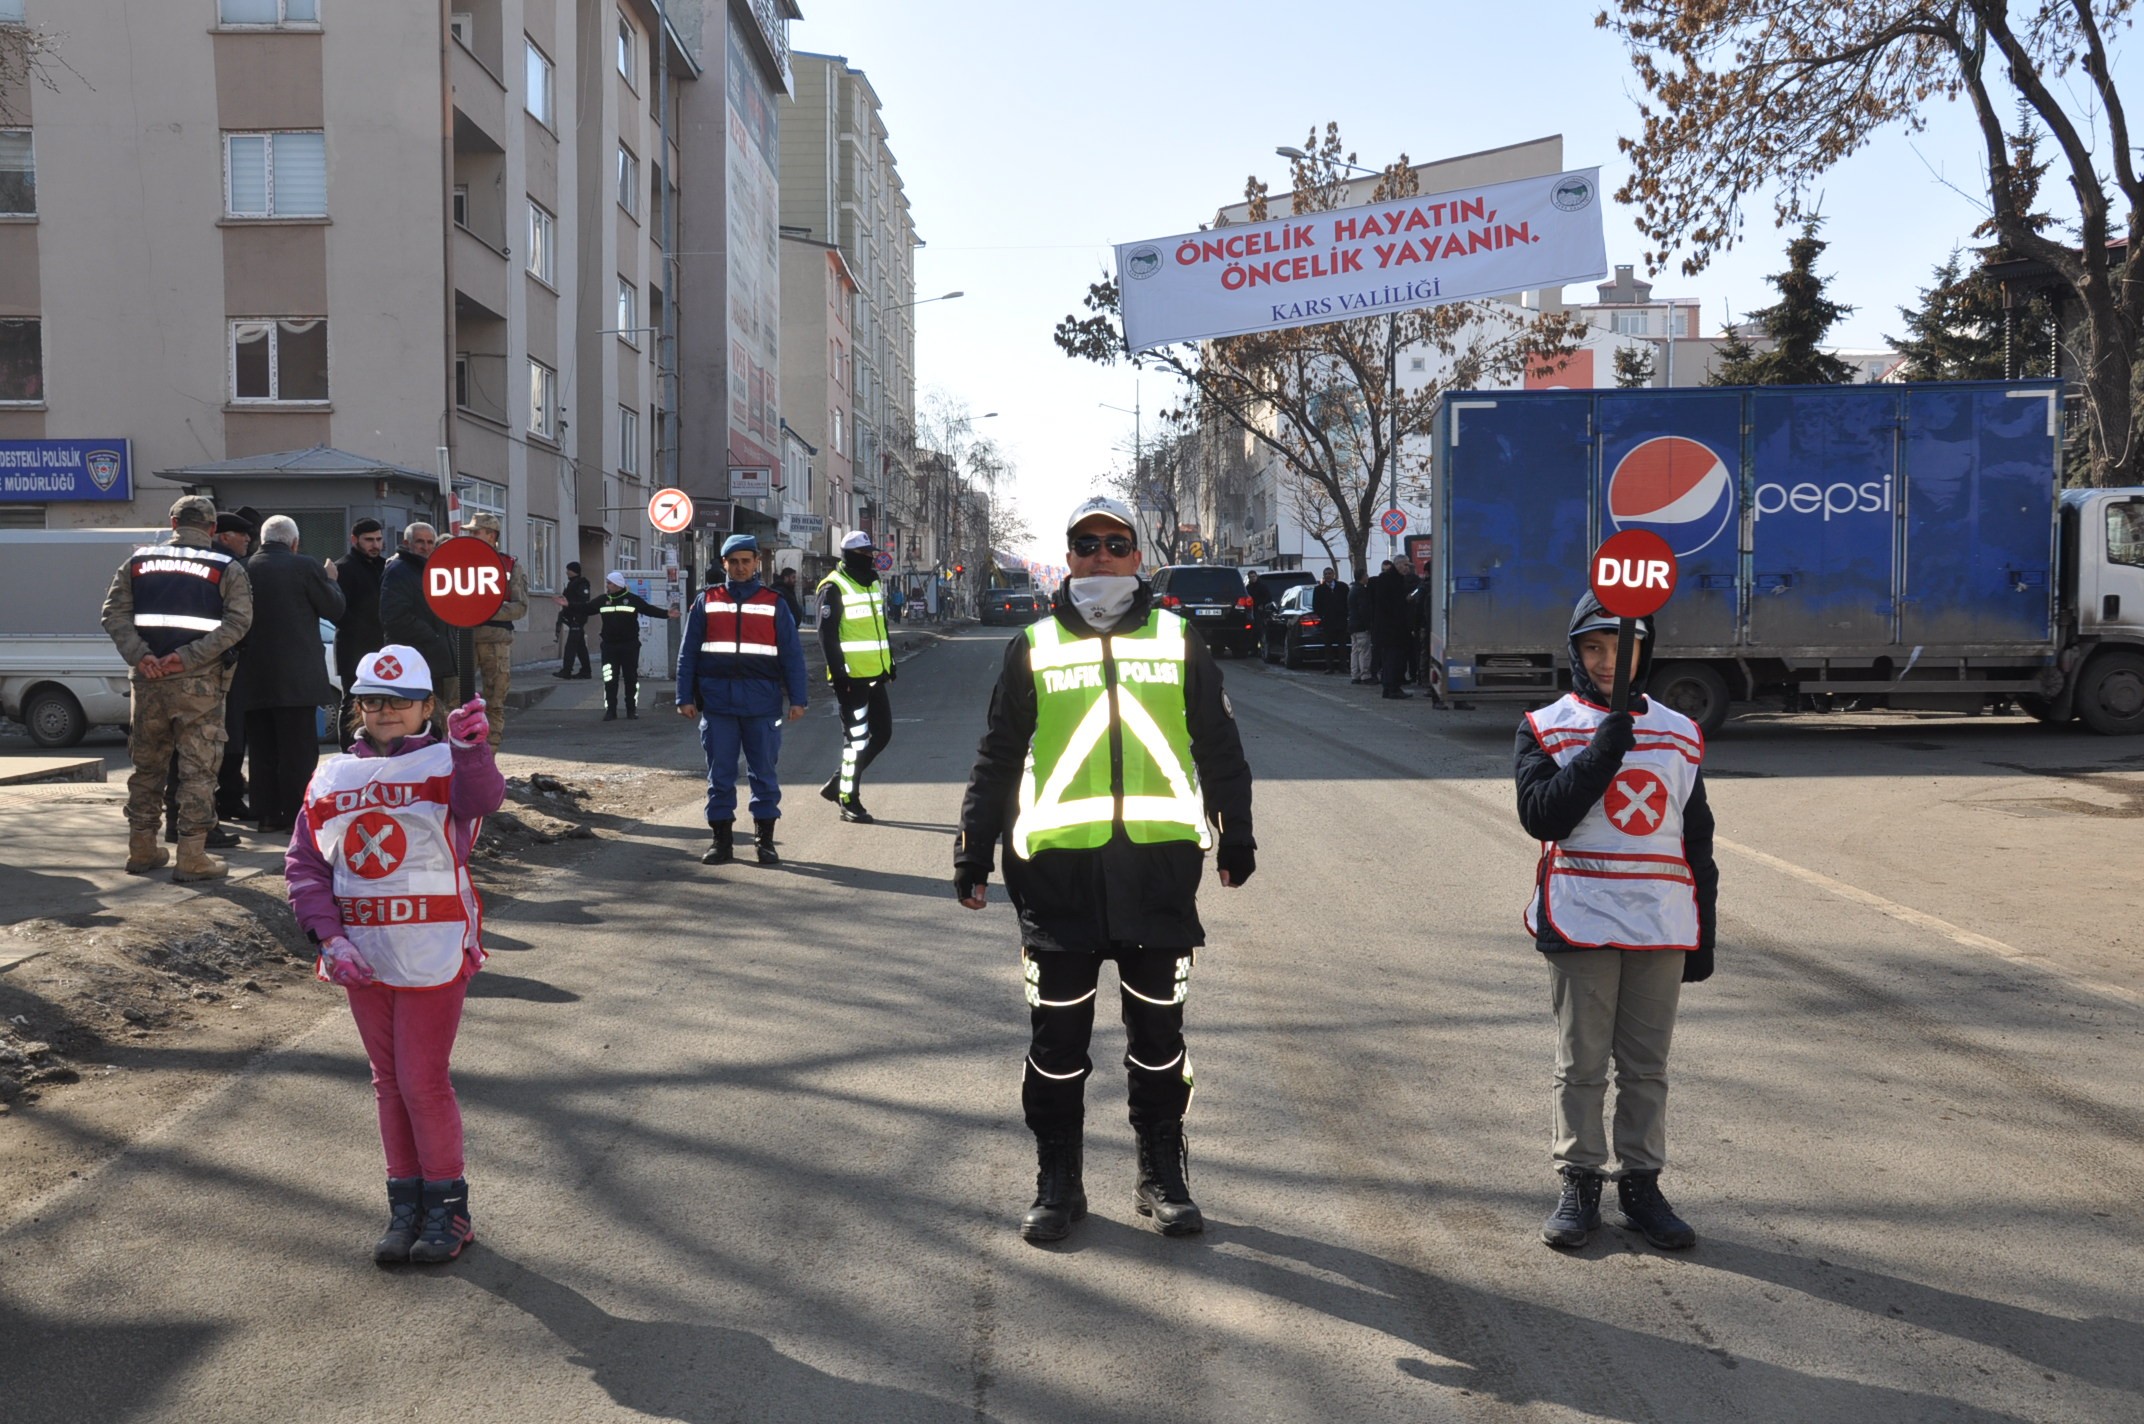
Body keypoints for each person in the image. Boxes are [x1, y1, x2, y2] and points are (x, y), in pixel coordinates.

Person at [955, 495, 1256, 1244]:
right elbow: (997, 755)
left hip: (1158, 880)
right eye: (1085, 544)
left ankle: (1161, 1173)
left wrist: (1237, 834)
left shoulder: (1181, 640)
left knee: (1160, 1044)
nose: (1100, 557)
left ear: (1137, 556)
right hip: (1056, 885)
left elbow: (1219, 747)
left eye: (1114, 544)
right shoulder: (1031, 645)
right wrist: (972, 848)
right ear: (1070, 555)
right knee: (1057, 1049)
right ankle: (1059, 1179)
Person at [285, 646, 503, 1265]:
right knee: (388, 1084)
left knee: (422, 1081)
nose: (385, 712)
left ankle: (448, 1210)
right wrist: (328, 936)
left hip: (433, 949)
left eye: (399, 702)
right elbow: (305, 863)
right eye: (373, 701)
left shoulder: (447, 761)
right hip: (361, 952)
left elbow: (483, 801)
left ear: (426, 707)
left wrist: (473, 750)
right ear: (358, 705)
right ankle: (404, 1208)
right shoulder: (329, 776)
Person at [1516, 594, 1718, 1252]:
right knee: (1582, 1063)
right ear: (1575, 651)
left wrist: (1704, 929)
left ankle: (1641, 1185)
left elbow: (1696, 840)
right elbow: (1543, 816)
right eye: (1594, 647)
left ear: (1645, 649)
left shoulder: (1680, 732)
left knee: (1646, 1067)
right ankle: (1579, 1181)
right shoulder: (1548, 726)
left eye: (1622, 646)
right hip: (1581, 918)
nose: (1608, 661)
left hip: (1659, 923)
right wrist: (1601, 752)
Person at [100, 495, 254, 881]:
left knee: (147, 768)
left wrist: (142, 656)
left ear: (172, 523)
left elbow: (113, 614)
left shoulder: (137, 563)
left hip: (148, 682)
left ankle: (142, 849)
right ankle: (192, 856)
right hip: (198, 685)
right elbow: (238, 624)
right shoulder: (226, 566)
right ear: (212, 528)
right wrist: (187, 657)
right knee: (198, 771)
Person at [676, 534, 808, 866]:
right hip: (718, 704)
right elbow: (688, 653)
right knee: (720, 775)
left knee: (763, 773)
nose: (739, 567)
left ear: (756, 564)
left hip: (761, 704)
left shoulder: (773, 602)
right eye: (733, 562)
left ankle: (765, 841)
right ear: (724, 564)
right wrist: (684, 696)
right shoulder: (706, 601)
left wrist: (798, 698)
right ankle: (721, 842)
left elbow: (792, 656)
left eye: (745, 561)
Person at [236, 515, 346, 833]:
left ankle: (267, 815)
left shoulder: (243, 568)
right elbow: (335, 609)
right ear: (294, 542)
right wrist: (331, 580)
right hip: (297, 681)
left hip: (254, 677)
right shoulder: (305, 566)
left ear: (262, 539)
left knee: (261, 750)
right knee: (297, 751)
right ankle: (296, 815)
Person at [816, 530, 896, 824]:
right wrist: (840, 677)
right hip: (851, 680)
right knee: (856, 741)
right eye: (865, 554)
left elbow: (878, 628)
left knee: (883, 733)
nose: (870, 559)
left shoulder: (871, 583)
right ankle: (848, 799)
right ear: (850, 556)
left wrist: (890, 664)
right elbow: (827, 637)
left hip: (875, 674)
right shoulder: (833, 587)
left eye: (871, 554)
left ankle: (839, 783)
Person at [554, 570, 675, 719]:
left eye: (610, 583)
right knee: (610, 678)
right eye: (607, 583)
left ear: (618, 585)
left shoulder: (631, 599)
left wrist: (667, 614)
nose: (607, 585)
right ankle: (611, 710)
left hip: (629, 646)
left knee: (630, 678)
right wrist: (568, 605)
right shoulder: (603, 600)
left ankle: (631, 709)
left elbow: (648, 610)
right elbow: (587, 608)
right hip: (609, 646)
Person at [210, 508, 260, 825]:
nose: (248, 540)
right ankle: (225, 800)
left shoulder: (227, 563)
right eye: (243, 535)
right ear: (224, 536)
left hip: (214, 663)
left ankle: (224, 799)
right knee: (225, 736)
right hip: (220, 665)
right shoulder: (228, 567)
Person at [461, 512, 528, 747]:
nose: (470, 536)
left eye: (475, 532)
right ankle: (455, 757)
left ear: (491, 535)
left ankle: (487, 758)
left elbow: (520, 607)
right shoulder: (459, 562)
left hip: (496, 640)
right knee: (454, 701)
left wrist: (485, 610)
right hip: (463, 639)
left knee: (495, 701)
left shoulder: (508, 565)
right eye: (469, 532)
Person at [378, 522, 459, 707]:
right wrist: (434, 636)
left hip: (435, 662)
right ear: (407, 543)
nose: (426, 547)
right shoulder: (398, 571)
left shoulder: (431, 569)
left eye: (430, 542)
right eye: (420, 542)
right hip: (414, 662)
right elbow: (394, 617)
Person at [335, 518, 390, 733]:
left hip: (382, 650)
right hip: (354, 650)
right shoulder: (344, 568)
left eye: (378, 539)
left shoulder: (385, 566)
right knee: (353, 703)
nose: (375, 545)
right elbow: (338, 612)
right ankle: (349, 750)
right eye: (369, 540)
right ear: (354, 539)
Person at [1370, 558, 1412, 700]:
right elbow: (1390, 604)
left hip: (1389, 628)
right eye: (1405, 565)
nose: (1407, 568)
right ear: (1398, 565)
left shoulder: (1391, 579)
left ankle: (1389, 687)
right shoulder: (1391, 580)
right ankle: (1392, 687)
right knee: (1394, 658)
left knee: (1390, 658)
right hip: (1393, 628)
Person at [554, 560, 592, 680]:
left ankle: (566, 671)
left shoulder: (581, 584)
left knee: (570, 646)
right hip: (573, 618)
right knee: (580, 646)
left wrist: (570, 606)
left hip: (578, 618)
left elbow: (583, 602)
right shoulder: (573, 583)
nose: (566, 572)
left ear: (573, 571)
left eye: (568, 570)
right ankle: (586, 671)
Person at [1311, 567, 1349, 673]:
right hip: (1327, 622)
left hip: (1341, 621)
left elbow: (1348, 602)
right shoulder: (1319, 589)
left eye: (1329, 573)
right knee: (1328, 645)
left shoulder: (1343, 587)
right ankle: (1329, 667)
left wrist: (1345, 614)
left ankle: (1343, 666)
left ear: (1334, 575)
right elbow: (1316, 605)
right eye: (1326, 574)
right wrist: (1322, 615)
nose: (1328, 575)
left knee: (1342, 645)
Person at [1348, 571, 1374, 683]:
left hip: (1353, 624)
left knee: (1355, 650)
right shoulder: (1361, 591)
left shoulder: (1352, 590)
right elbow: (1364, 610)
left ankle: (1355, 674)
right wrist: (1368, 624)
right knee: (1364, 650)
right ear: (1362, 578)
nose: (1368, 577)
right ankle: (1365, 674)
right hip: (1361, 625)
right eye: (1366, 576)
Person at [1246, 571, 1275, 660]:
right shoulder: (1248, 588)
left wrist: (1261, 605)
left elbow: (1268, 597)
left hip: (1260, 612)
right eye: (1251, 577)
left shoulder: (1262, 587)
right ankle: (1253, 649)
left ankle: (1260, 649)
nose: (1253, 578)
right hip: (1250, 611)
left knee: (1259, 630)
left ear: (1257, 576)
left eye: (1254, 576)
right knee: (1252, 631)